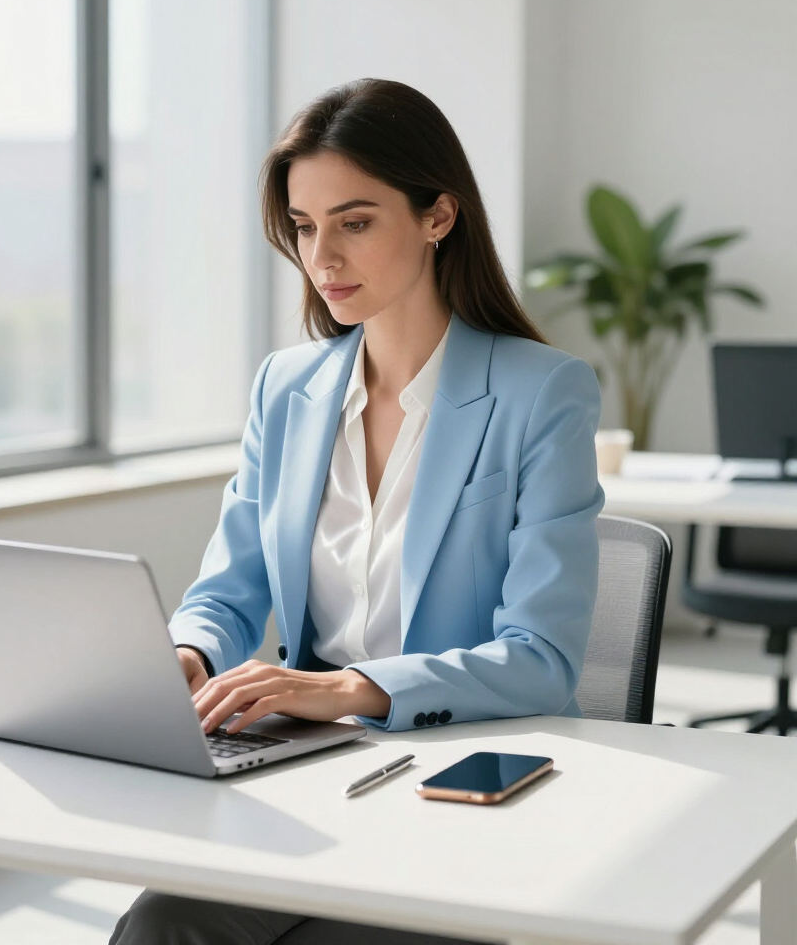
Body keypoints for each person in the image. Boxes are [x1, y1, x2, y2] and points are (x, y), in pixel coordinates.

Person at [110, 78, 603, 944]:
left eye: (356, 221)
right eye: (304, 227)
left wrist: (345, 689)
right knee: (160, 929)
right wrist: (191, 655)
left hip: (459, 776)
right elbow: (231, 591)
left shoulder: (542, 393)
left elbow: (542, 660)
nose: (322, 257)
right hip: (307, 768)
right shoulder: (286, 387)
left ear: (438, 216)